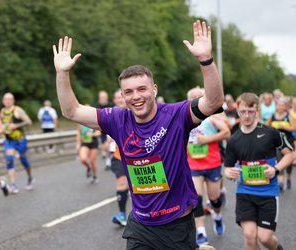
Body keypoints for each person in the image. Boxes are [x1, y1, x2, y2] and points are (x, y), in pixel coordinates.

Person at [53, 20, 223, 249]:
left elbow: (213, 102)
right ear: (122, 95)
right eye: (128, 92)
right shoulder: (117, 119)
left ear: (154, 90)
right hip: (141, 225)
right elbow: (70, 111)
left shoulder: (176, 115)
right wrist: (62, 73)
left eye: (142, 89)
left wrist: (206, 60)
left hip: (177, 224)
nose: (136, 96)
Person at [224, 92, 293, 250]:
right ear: (238, 111)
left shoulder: (271, 133)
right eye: (243, 112)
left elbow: (290, 155)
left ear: (257, 111)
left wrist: (276, 169)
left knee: (265, 238)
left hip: (267, 193)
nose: (247, 116)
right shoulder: (234, 140)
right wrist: (230, 173)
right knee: (249, 236)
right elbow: (227, 169)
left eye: (251, 111)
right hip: (245, 193)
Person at [187, 87, 230, 246]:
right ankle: (201, 231)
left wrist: (208, 139)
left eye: (200, 96)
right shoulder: (186, 118)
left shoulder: (213, 116)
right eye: (194, 97)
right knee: (196, 197)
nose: (197, 99)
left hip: (212, 162)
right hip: (193, 163)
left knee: (214, 199)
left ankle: (217, 218)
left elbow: (227, 133)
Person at [0, 92, 34, 193]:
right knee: (9, 159)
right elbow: (0, 124)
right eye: (6, 99)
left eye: (10, 99)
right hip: (9, 141)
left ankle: (30, 177)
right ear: (3, 101)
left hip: (20, 140)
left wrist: (16, 125)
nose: (7, 101)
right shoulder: (2, 112)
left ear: (13, 101)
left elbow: (29, 122)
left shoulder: (17, 110)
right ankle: (13, 185)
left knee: (24, 161)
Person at [108, 89, 129, 226]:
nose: (120, 100)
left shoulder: (137, 111)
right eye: (117, 98)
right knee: (122, 182)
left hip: (141, 157)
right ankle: (122, 215)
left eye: (122, 97)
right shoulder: (111, 114)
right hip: (118, 156)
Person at [267, 97, 296, 191]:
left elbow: (294, 128)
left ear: (285, 107)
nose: (280, 107)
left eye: (282, 106)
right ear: (276, 107)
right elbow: (267, 126)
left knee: (289, 163)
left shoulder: (288, 116)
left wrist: (283, 126)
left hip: (288, 141)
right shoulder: (273, 116)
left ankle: (288, 178)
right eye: (279, 105)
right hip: (277, 143)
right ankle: (281, 182)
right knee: (279, 160)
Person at [95, 90, 114, 170]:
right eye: (101, 97)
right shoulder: (96, 106)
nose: (103, 99)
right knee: (105, 147)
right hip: (101, 130)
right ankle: (108, 163)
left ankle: (114, 160)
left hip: (112, 129)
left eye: (104, 97)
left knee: (110, 146)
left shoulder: (112, 105)